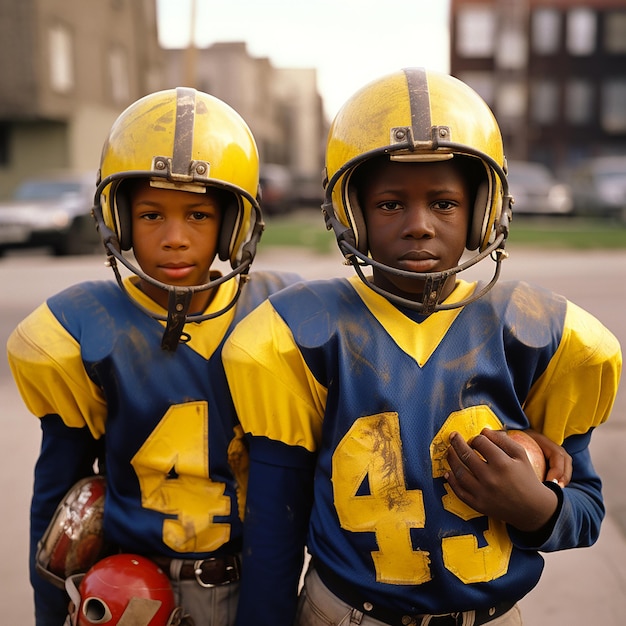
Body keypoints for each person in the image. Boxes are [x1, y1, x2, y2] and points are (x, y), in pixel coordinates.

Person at [222, 68, 622, 626]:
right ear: (352, 213)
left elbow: (586, 508)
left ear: (482, 212)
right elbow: (275, 526)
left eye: (444, 203)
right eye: (389, 204)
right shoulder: (300, 333)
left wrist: (535, 508)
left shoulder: (538, 331)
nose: (418, 225)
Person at [7, 87, 301, 626]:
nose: (173, 239)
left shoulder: (275, 317)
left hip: (243, 583)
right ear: (118, 219)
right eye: (150, 215)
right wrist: (50, 611)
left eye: (197, 214)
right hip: (123, 591)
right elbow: (59, 505)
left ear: (234, 225)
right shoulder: (82, 328)